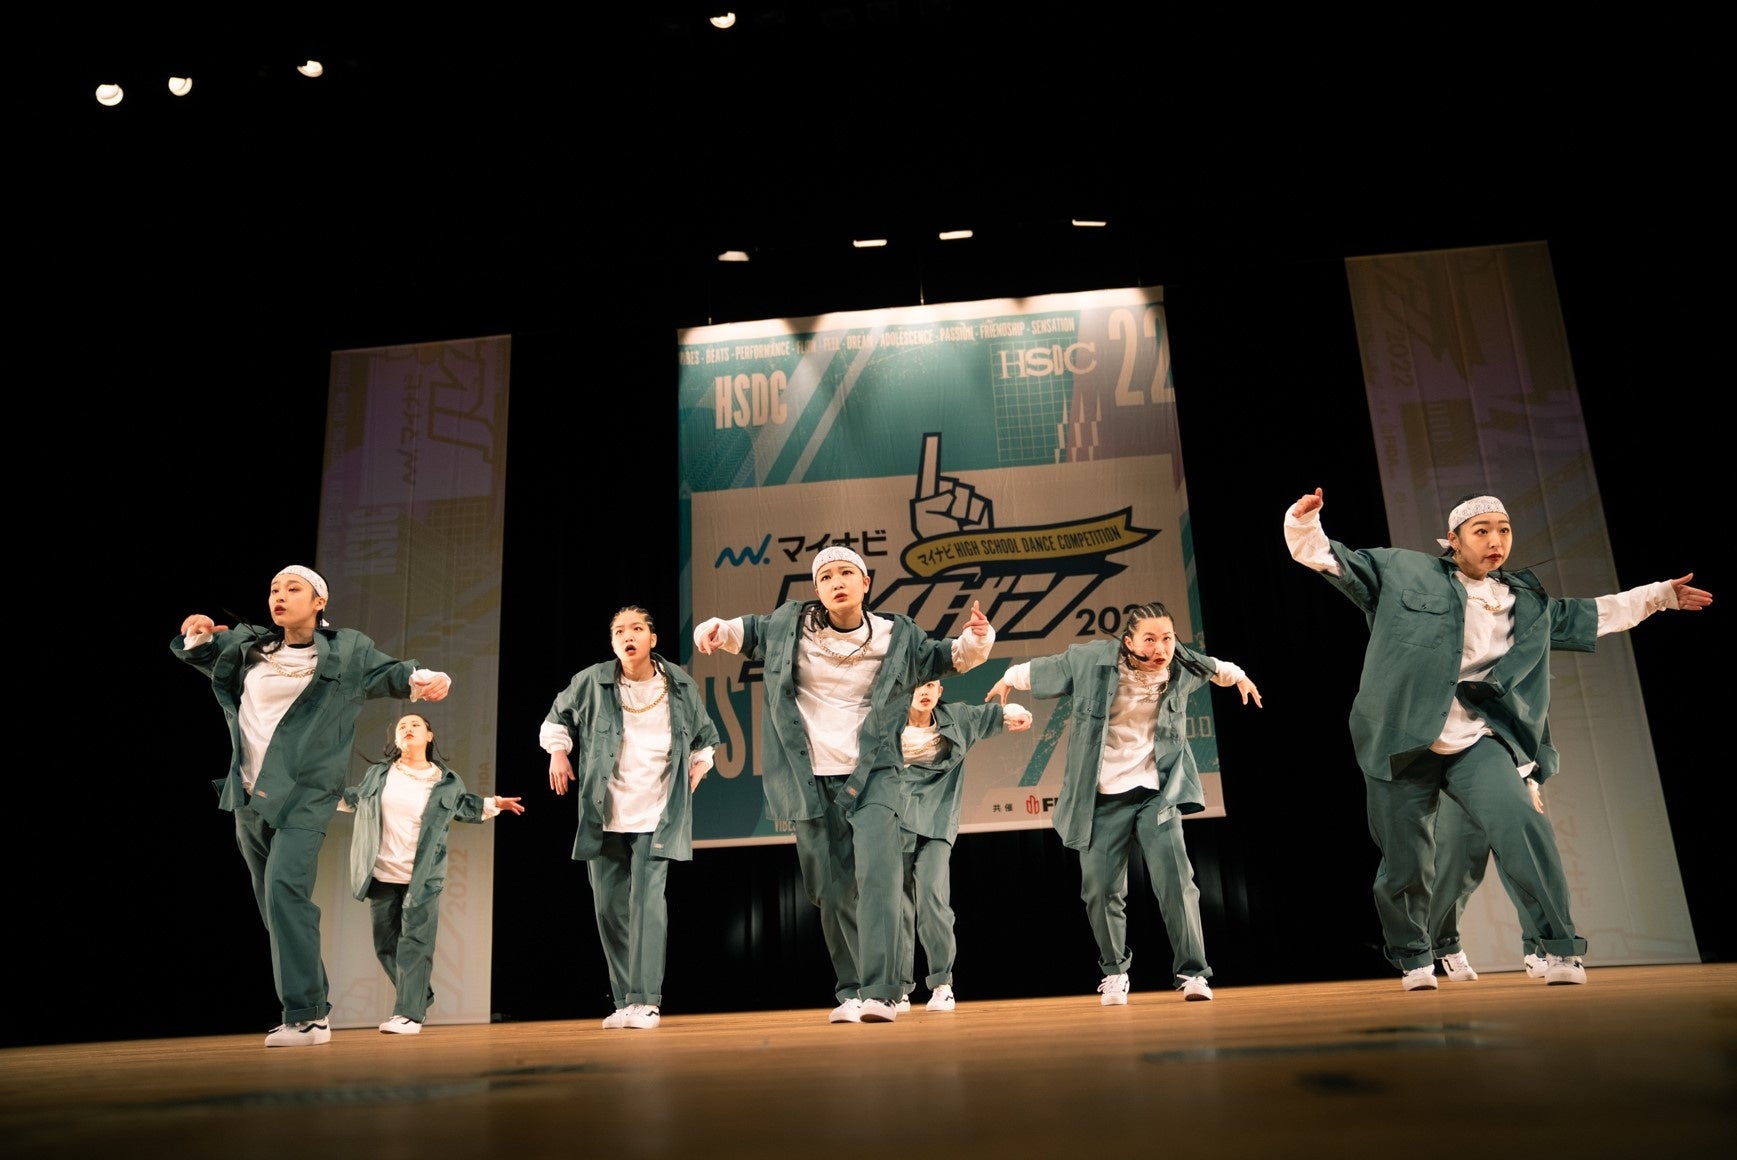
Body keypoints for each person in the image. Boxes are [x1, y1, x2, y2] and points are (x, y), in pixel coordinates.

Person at [1285, 488, 1713, 990]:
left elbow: (1594, 614)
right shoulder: (1404, 571)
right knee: (1405, 861)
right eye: (1482, 530)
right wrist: (1303, 521)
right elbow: (1334, 561)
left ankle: (1560, 948)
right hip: (1400, 736)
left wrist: (1661, 596)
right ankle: (1415, 956)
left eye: (1504, 530)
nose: (1495, 541)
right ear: (1453, 539)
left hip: (1478, 736)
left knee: (1523, 826)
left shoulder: (1525, 603)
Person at [693, 545, 996, 1024]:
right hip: (809, 776)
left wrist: (978, 638)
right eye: (826, 576)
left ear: (865, 582)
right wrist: (714, 629)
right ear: (816, 589)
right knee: (831, 891)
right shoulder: (790, 625)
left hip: (875, 771)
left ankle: (882, 991)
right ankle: (853, 989)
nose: (837, 582)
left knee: (879, 877)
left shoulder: (896, 635)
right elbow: (743, 631)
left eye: (847, 573)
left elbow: (947, 657)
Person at [171, 565, 452, 1047]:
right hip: (249, 794)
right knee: (274, 905)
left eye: (293, 588)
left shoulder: (347, 649)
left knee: (284, 889)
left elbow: (392, 673)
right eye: (273, 588)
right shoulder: (250, 646)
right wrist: (196, 634)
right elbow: (206, 656)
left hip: (306, 794)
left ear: (319, 601)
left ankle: (306, 1017)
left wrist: (427, 678)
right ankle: (312, 1007)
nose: (279, 595)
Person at [985, 602, 1262, 1006]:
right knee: (1100, 890)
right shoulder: (1092, 661)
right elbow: (1043, 669)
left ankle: (1193, 973)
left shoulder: (1182, 663)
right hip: (1101, 796)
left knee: (1177, 882)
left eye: (1167, 638)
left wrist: (1240, 678)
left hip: (1156, 792)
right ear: (1129, 642)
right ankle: (1114, 972)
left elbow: (1218, 668)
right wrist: (1006, 681)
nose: (1160, 648)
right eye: (1149, 639)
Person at [541, 606, 720, 1031]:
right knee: (608, 909)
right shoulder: (592, 681)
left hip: (657, 811)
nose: (628, 636)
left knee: (647, 906)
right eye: (619, 630)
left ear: (652, 639)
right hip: (604, 812)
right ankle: (625, 1000)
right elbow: (555, 718)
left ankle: (646, 1000)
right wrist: (559, 752)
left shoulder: (679, 684)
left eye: (637, 628)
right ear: (612, 642)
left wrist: (700, 765)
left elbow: (705, 737)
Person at [339, 713, 523, 1035]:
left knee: (416, 944)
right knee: (386, 947)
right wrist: (317, 796)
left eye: (415, 725)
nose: (407, 728)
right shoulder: (379, 773)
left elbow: (462, 805)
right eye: (402, 726)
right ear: (396, 740)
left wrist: (494, 803)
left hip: (423, 876)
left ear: (429, 735)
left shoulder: (445, 780)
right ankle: (419, 995)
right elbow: (355, 798)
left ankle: (409, 1014)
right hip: (381, 874)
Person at [893, 679, 1032, 1013]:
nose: (924, 692)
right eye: (918, 686)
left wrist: (1018, 712)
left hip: (937, 820)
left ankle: (942, 983)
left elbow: (992, 715)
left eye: (931, 685)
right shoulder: (887, 723)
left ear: (939, 691)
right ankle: (897, 988)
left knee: (933, 898)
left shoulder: (955, 718)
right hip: (895, 820)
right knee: (896, 906)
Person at [1428, 793, 1549, 981]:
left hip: (1505, 785)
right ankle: (1448, 947)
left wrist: (1532, 782)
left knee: (1526, 872)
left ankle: (1538, 950)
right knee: (1454, 875)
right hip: (1454, 788)